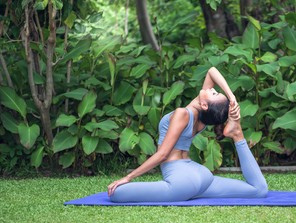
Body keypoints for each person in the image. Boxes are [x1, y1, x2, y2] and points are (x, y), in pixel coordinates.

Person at [107, 67, 268, 202]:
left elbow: (163, 154)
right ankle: (237, 134)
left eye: (214, 94)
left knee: (115, 194)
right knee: (258, 190)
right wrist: (232, 98)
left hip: (181, 182)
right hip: (202, 176)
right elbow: (212, 71)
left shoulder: (182, 114)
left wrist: (128, 177)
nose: (212, 89)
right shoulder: (202, 119)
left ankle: (236, 132)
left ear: (205, 105)